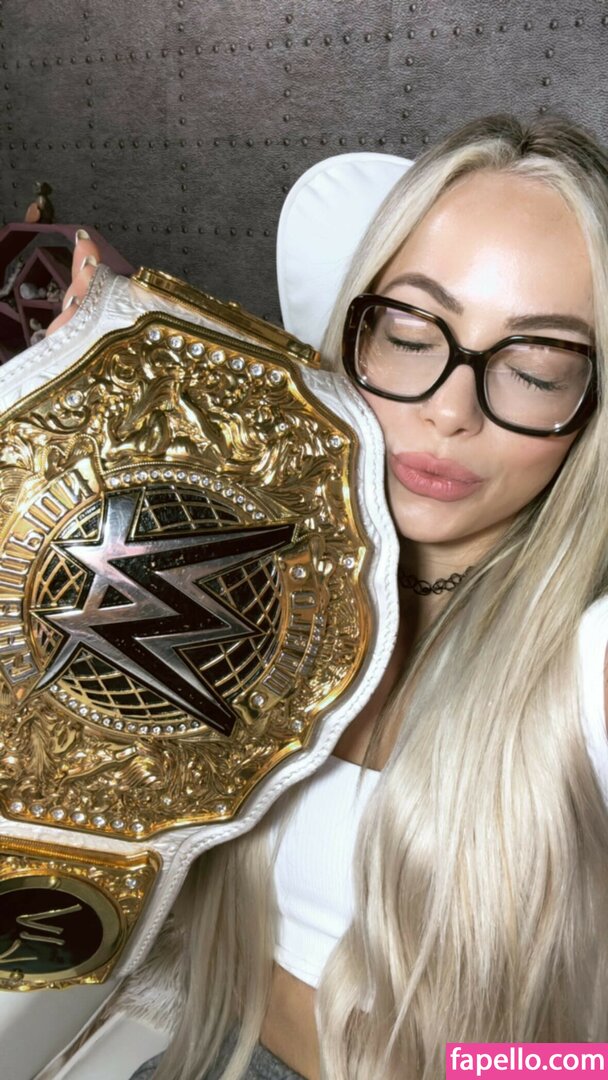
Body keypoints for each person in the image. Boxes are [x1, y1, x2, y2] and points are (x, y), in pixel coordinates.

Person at [51, 112, 608, 1080]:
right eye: (409, 336)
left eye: (535, 370)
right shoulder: (236, 577)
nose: (449, 411)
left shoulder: (589, 669)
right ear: (352, 334)